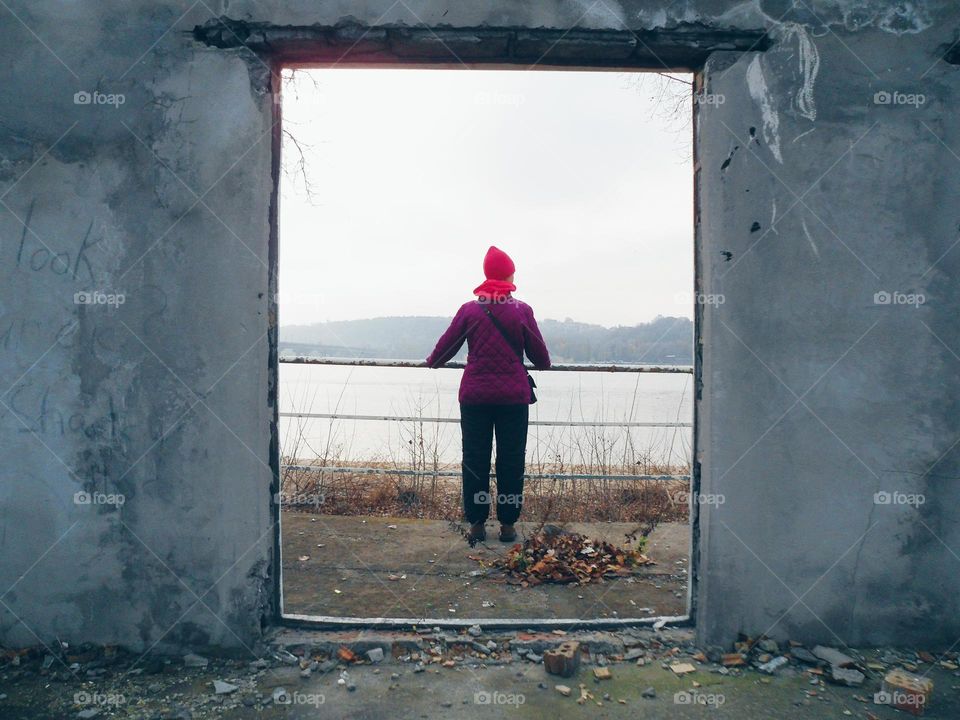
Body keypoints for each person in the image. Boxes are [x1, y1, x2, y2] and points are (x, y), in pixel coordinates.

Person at [425, 246, 551, 542]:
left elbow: (444, 349)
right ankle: (508, 525)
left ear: (486, 275)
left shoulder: (470, 310)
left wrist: (432, 362)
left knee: (475, 459)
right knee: (511, 460)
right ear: (508, 274)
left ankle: (477, 524)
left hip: (475, 398)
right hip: (513, 399)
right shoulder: (522, 310)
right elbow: (542, 359)